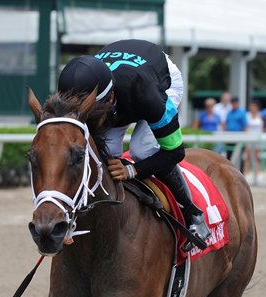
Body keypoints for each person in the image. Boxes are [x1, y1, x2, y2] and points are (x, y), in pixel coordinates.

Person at [57, 39, 211, 250]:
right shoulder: (77, 91)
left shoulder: (147, 95)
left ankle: (193, 213)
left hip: (160, 77)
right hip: (120, 80)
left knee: (142, 148)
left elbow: (175, 151)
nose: (92, 124)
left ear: (110, 98)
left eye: (95, 116)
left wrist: (133, 170)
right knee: (107, 151)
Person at [224, 97, 247, 169]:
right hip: (230, 137)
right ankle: (229, 171)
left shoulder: (242, 113)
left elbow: (244, 126)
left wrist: (244, 138)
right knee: (229, 155)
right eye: (233, 103)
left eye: (235, 103)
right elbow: (226, 124)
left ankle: (241, 172)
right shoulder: (229, 113)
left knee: (240, 156)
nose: (234, 105)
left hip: (239, 137)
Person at [245, 100, 264, 184]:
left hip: (257, 138)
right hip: (249, 138)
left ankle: (258, 173)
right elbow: (245, 127)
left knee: (257, 157)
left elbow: (263, 127)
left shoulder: (260, 115)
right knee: (247, 157)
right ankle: (246, 173)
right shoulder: (247, 115)